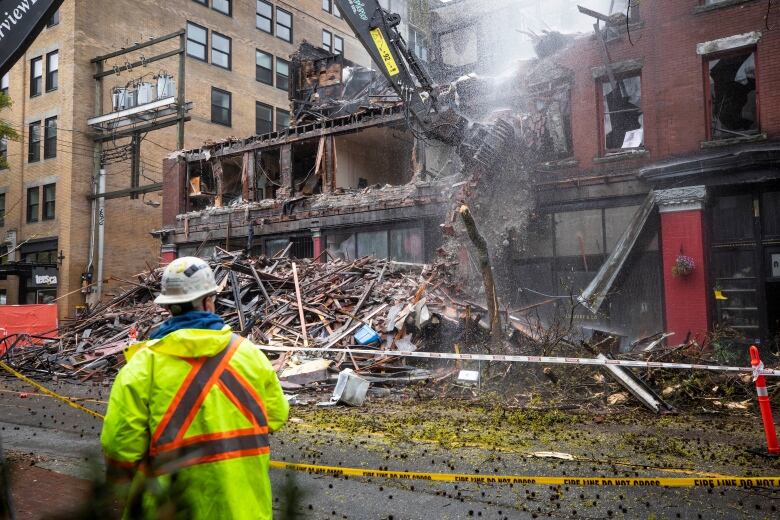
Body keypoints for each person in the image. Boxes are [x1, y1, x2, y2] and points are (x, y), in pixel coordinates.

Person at [101, 257, 289, 519]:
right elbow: (276, 415)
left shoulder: (143, 367)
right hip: (244, 509)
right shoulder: (250, 356)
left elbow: (120, 448)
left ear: (168, 307)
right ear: (208, 300)